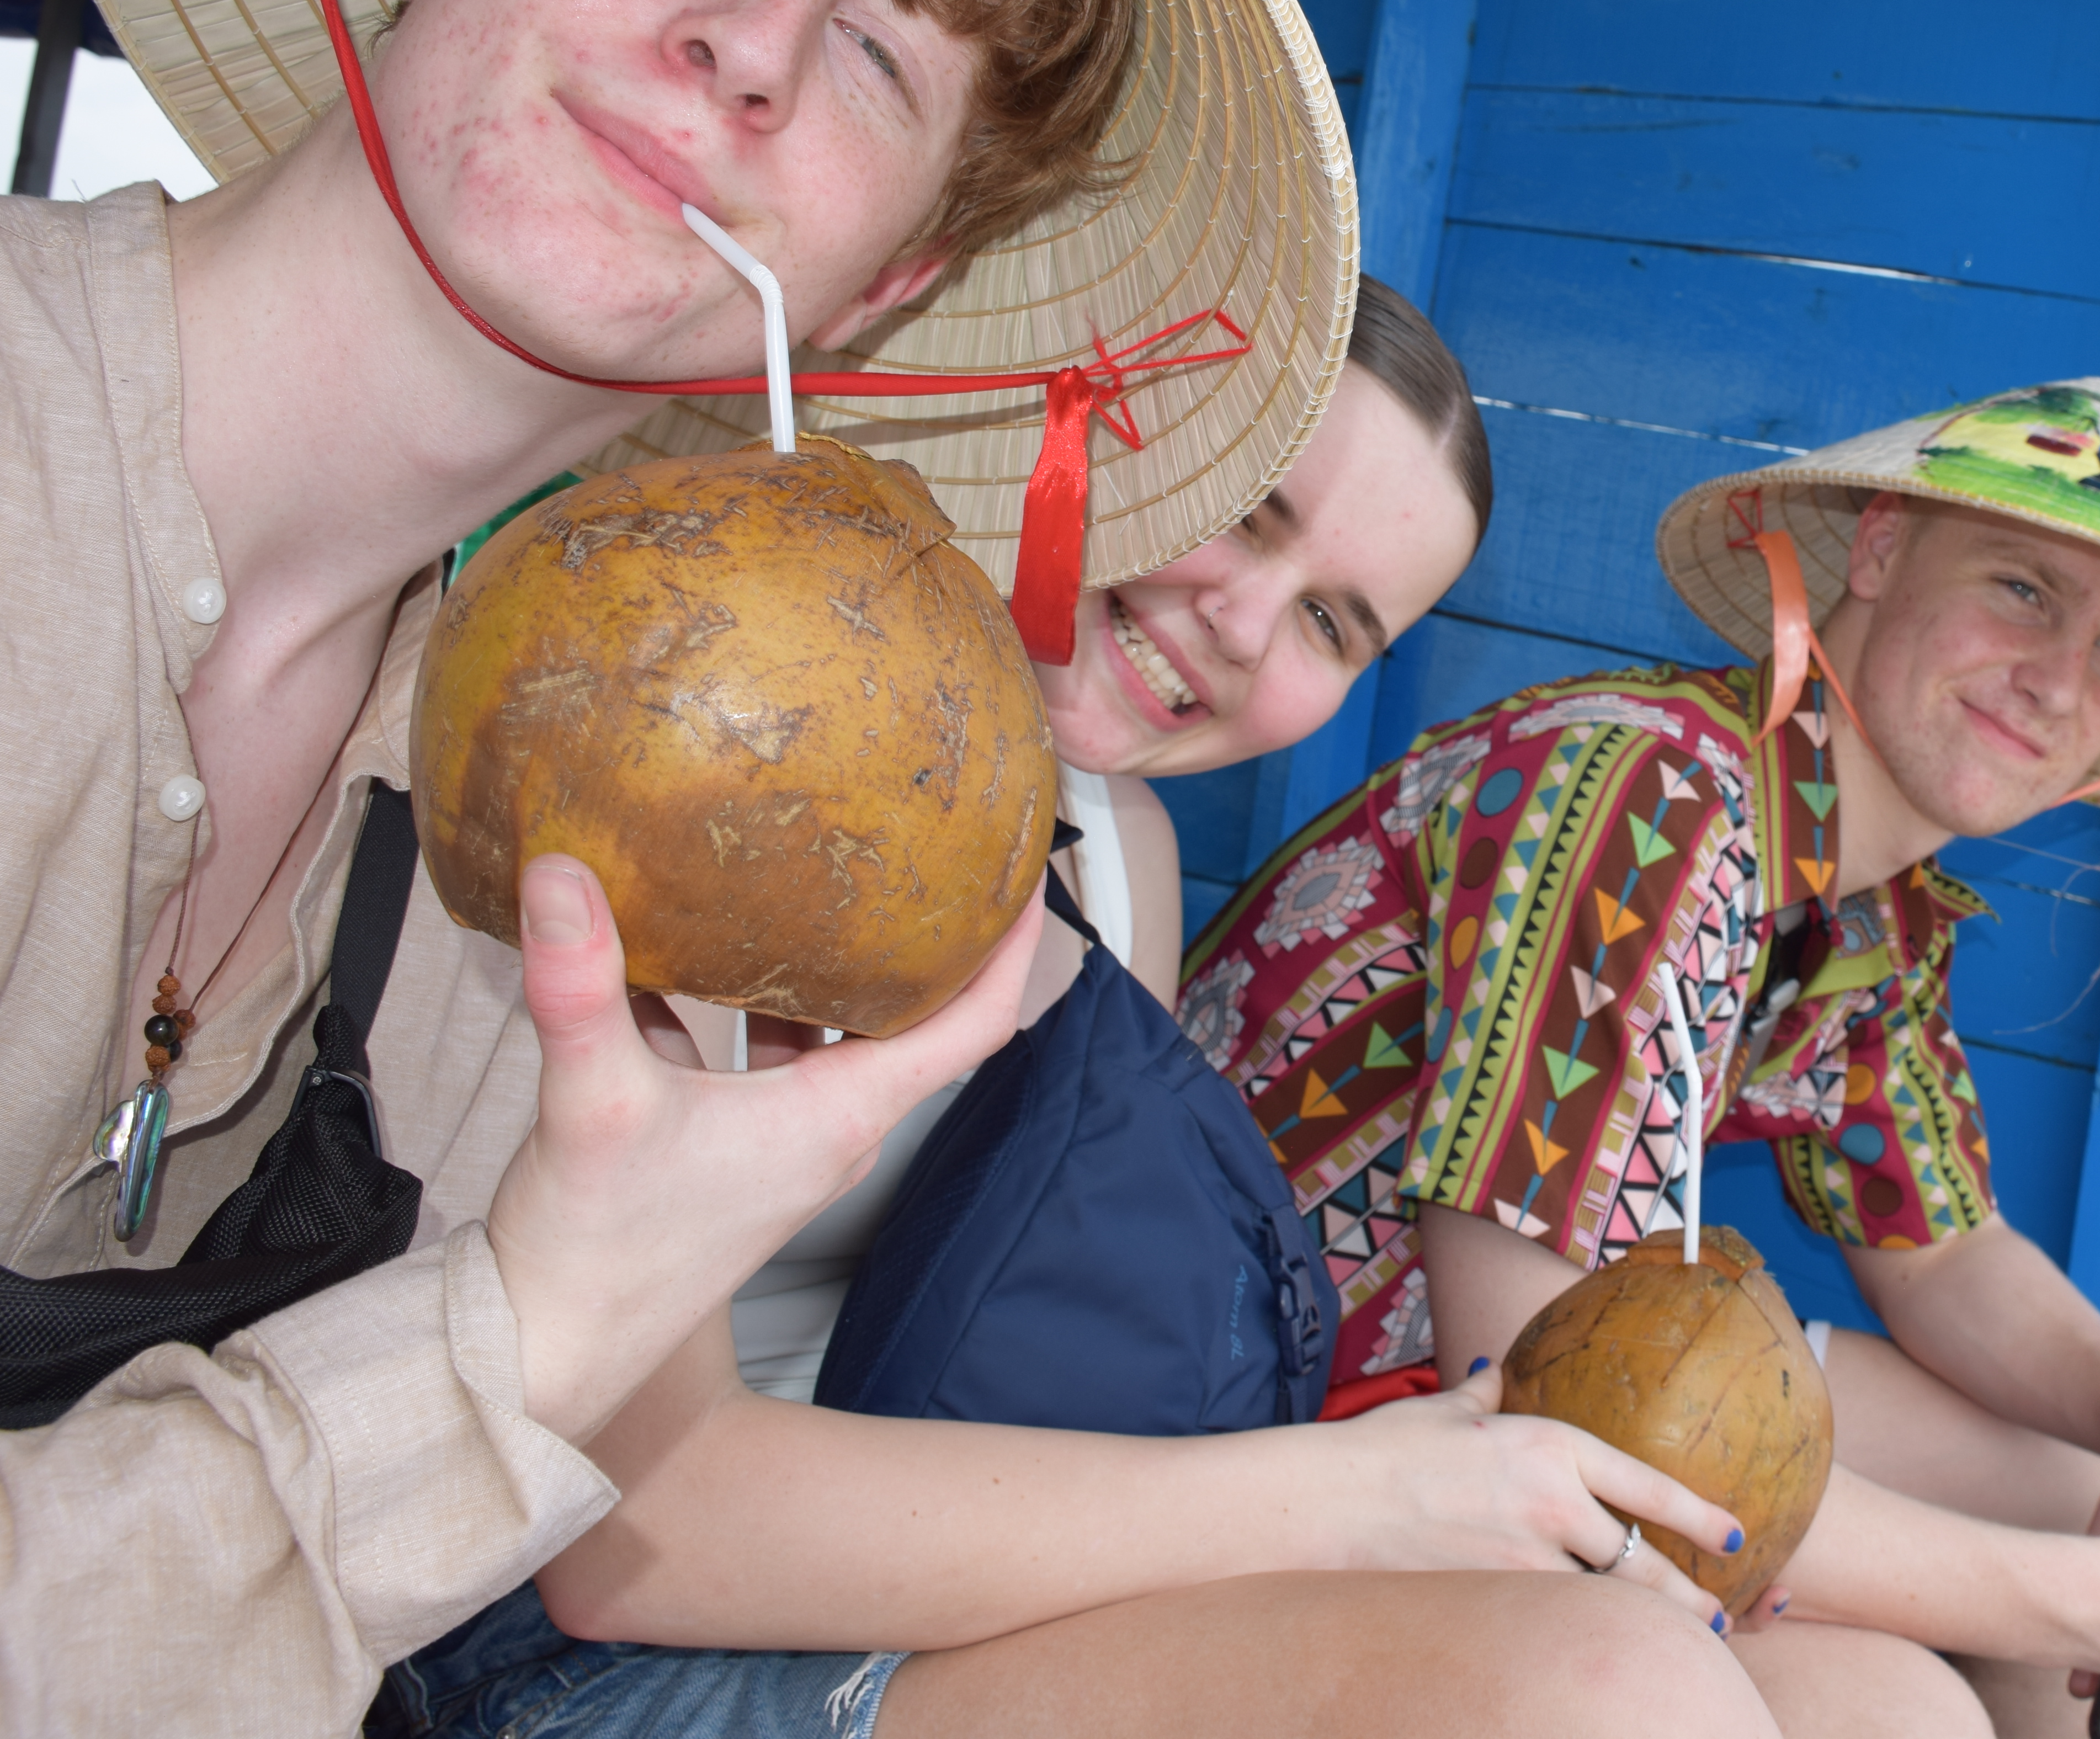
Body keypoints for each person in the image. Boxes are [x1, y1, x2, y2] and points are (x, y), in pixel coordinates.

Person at [0, 0, 1363, 1724]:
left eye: (885, 60)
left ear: (882, 290)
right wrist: (523, 1335)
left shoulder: (540, 840)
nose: (750, 49)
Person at [405, 286, 1779, 1739]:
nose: (1248, 628)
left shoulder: (1117, 861)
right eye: (1249, 511)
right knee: (1609, 1695)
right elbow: (633, 1544)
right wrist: (1354, 1497)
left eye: (1330, 620)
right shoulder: (693, 719)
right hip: (528, 1635)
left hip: (888, 1580)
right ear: (1091, 422)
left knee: (1829, 1696)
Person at [1174, 378, 2100, 1734]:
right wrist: (2095, 1597)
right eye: (2024, 588)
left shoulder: (1874, 909)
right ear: (1879, 548)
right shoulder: (1642, 803)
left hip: (1497, 1386)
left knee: (2077, 1479)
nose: (2062, 680)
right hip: (1271, 1422)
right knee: (1901, 1710)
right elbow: (1572, 1405)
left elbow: (1942, 1252)